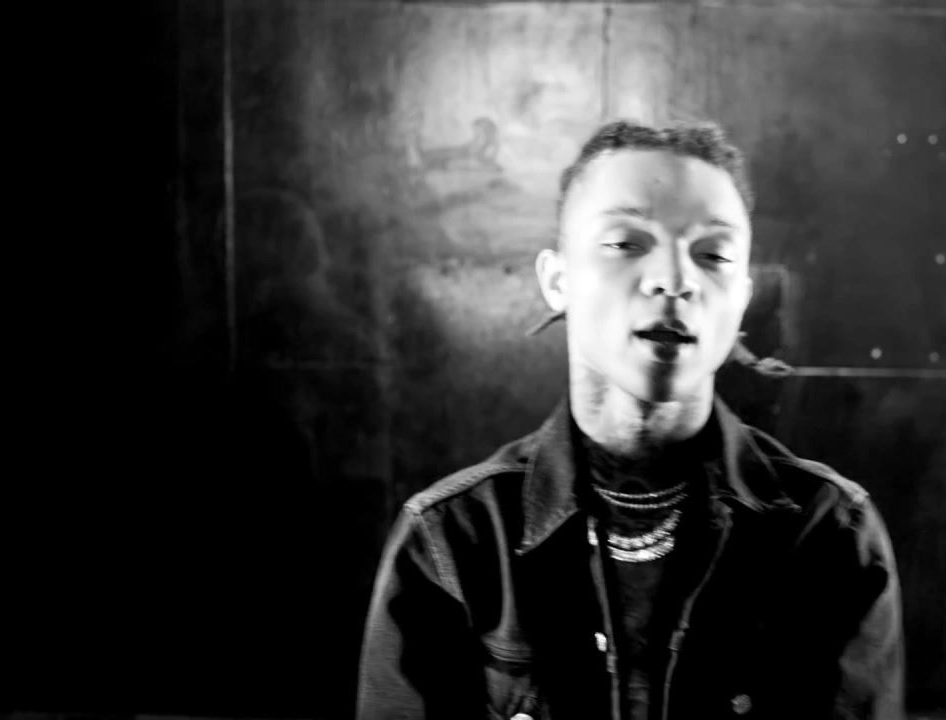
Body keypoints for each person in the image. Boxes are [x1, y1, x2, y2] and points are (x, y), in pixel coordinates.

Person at [357, 120, 904, 720]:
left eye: (714, 254)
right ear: (557, 281)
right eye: (625, 243)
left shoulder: (829, 538)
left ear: (742, 299)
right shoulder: (451, 544)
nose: (675, 280)